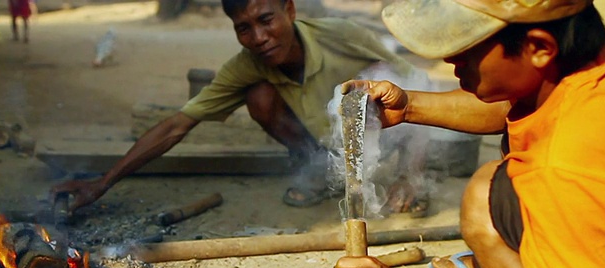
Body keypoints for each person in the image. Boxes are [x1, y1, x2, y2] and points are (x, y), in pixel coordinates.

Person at [330, 0, 605, 268]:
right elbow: (512, 98)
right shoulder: (598, 52)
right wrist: (409, 107)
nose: (450, 58)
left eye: (465, 44)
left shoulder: (567, 164)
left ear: (538, 47)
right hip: (596, 216)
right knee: (488, 192)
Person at [50, 0, 433, 215]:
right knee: (259, 96)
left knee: (381, 75)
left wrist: (410, 175)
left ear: (290, 10)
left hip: (384, 143)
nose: (259, 38)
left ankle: (403, 177)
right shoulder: (245, 65)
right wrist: (103, 181)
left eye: (266, 20)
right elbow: (177, 125)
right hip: (326, 145)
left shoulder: (344, 36)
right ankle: (315, 170)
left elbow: (419, 89)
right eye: (244, 28)